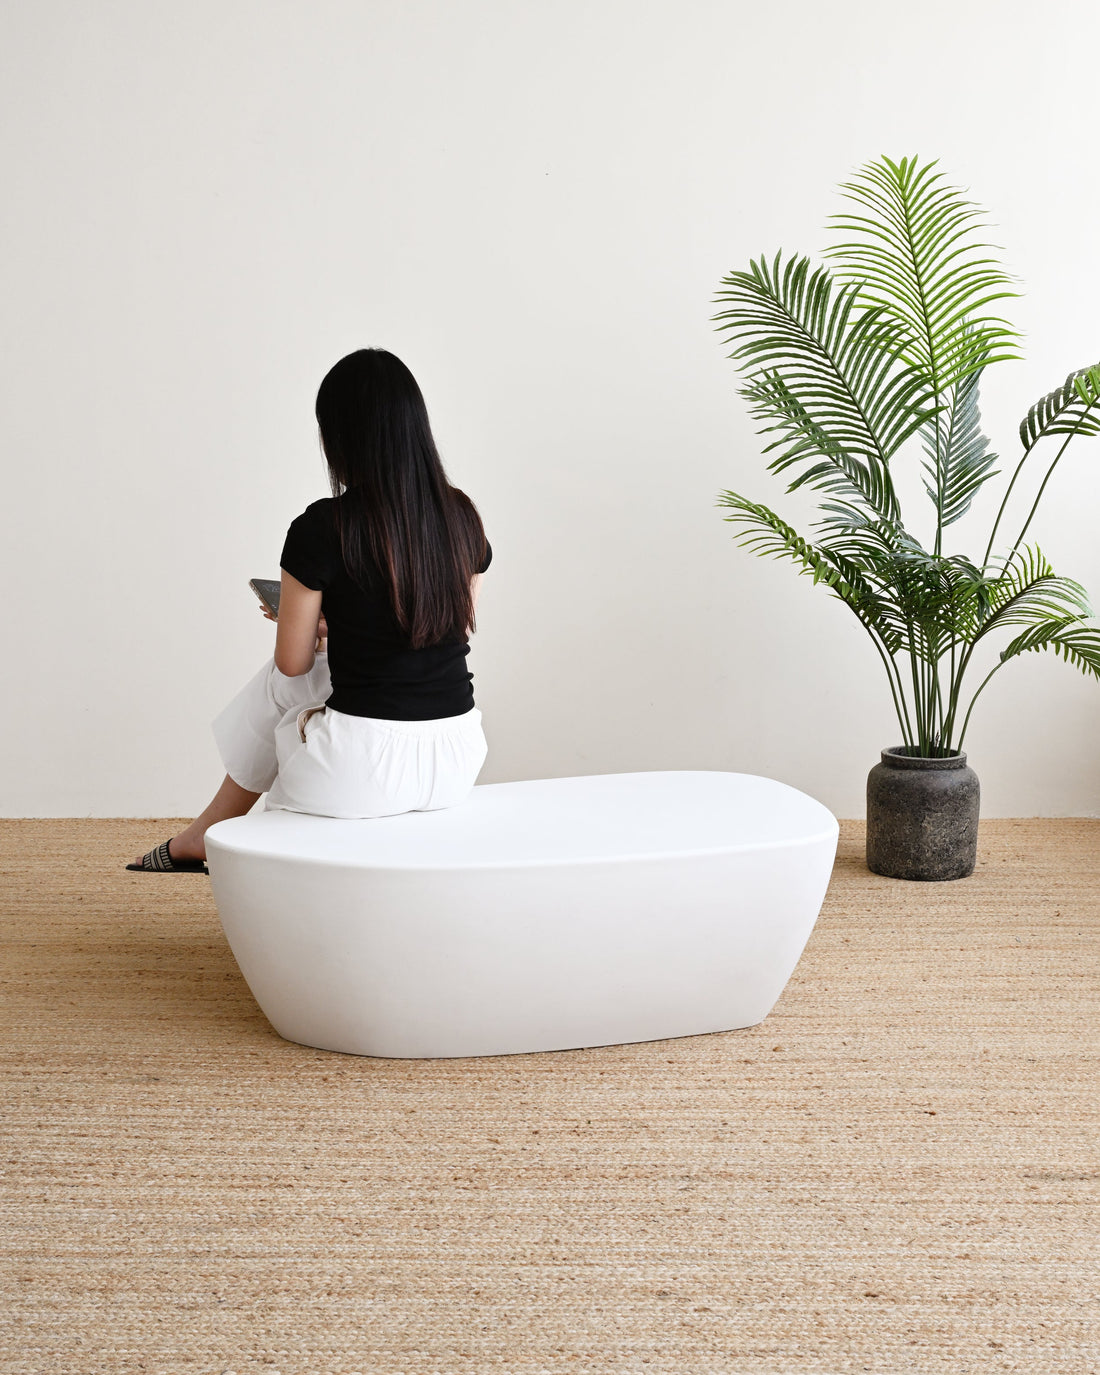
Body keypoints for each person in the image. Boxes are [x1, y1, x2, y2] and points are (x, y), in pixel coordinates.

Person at [128, 348, 491, 874]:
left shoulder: (322, 527)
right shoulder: (463, 517)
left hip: (361, 765)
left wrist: (314, 629)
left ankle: (204, 833)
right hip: (457, 753)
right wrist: (342, 627)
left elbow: (292, 664)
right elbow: (445, 629)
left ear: (338, 437)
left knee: (285, 685)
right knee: (311, 677)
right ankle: (201, 835)